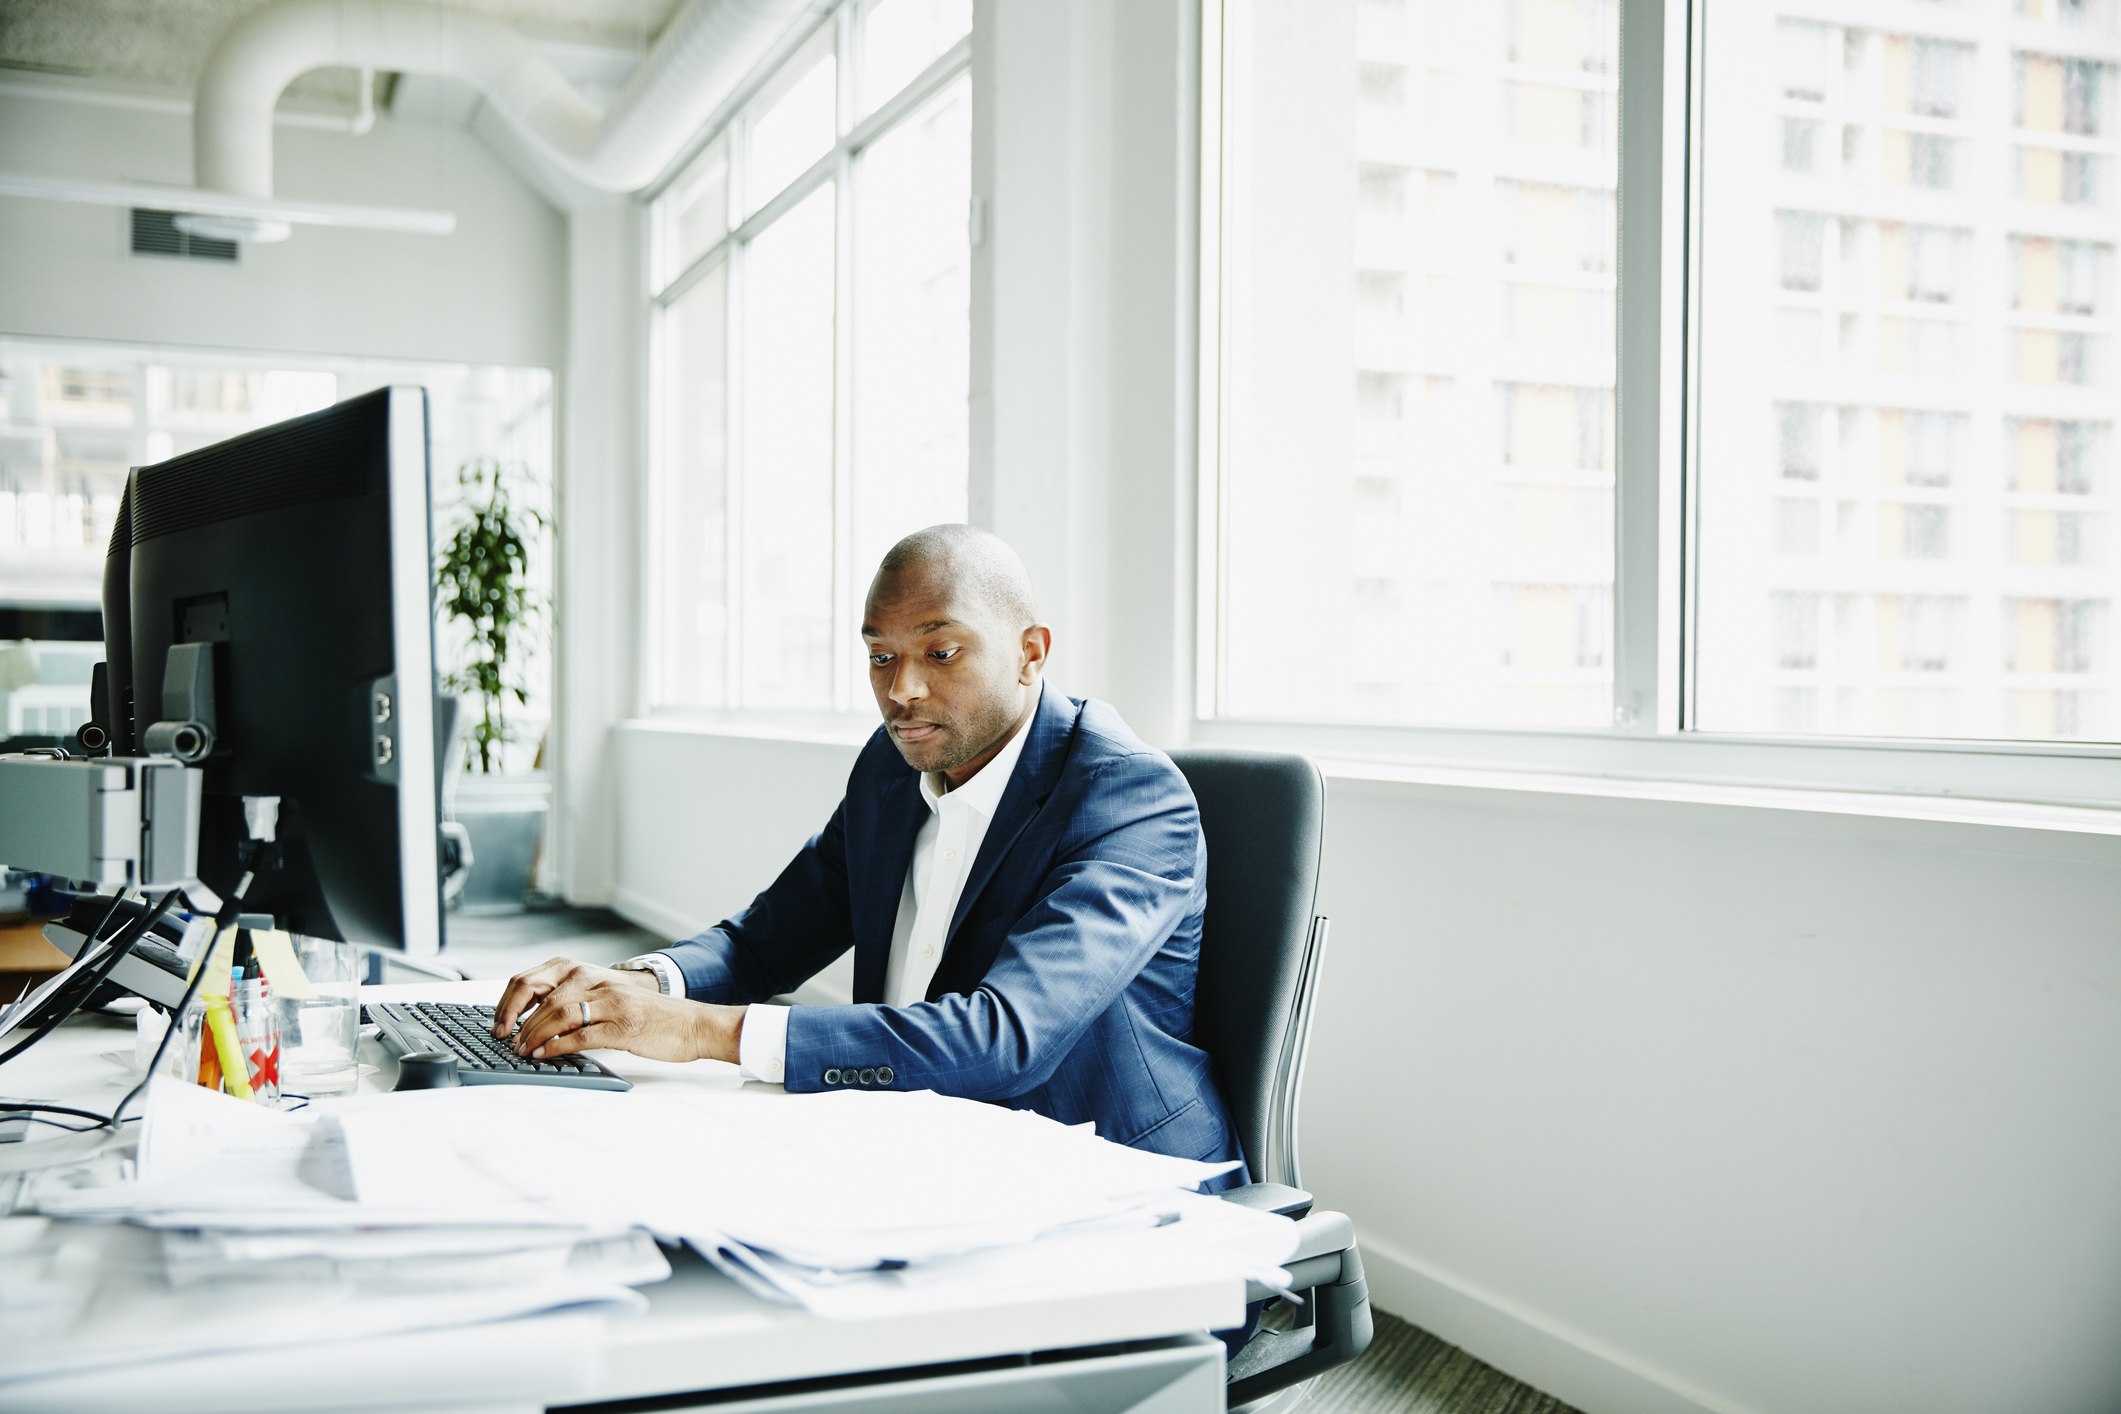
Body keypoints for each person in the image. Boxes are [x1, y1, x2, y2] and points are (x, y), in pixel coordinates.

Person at [492, 523, 1244, 1180]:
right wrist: (632, 985)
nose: (901, 691)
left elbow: (1001, 1039)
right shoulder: (892, 768)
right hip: (912, 1144)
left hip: (1107, 1180)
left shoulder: (1128, 798)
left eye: (940, 652)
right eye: (880, 657)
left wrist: (694, 1029)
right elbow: (763, 943)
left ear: (1029, 654)